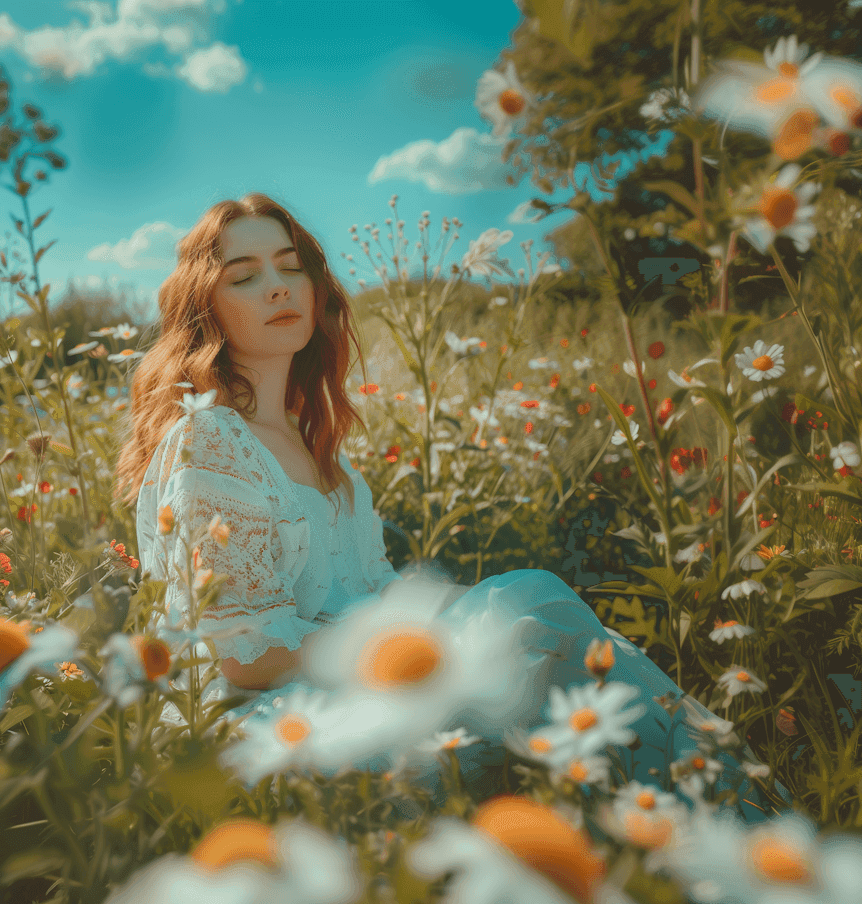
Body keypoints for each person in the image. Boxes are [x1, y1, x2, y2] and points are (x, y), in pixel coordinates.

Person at [113, 192, 792, 824]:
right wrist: (417, 643)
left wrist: (478, 614)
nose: (278, 287)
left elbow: (375, 592)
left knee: (530, 611)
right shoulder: (213, 438)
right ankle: (725, 817)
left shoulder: (317, 445)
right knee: (525, 618)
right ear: (207, 306)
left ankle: (700, 816)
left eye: (291, 267)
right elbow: (245, 656)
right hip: (272, 725)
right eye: (244, 276)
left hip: (346, 683)